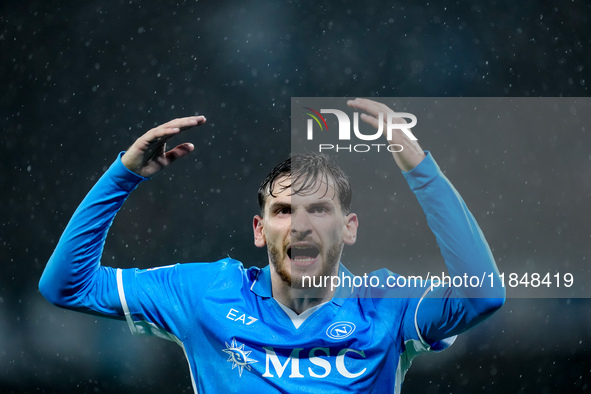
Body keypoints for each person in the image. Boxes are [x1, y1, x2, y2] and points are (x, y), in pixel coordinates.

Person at [39, 98, 505, 393]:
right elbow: (67, 286)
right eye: (284, 211)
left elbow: (483, 294)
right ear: (260, 231)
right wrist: (123, 176)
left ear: (349, 228)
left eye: (319, 209)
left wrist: (417, 164)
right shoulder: (207, 295)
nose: (300, 225)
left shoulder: (385, 307)